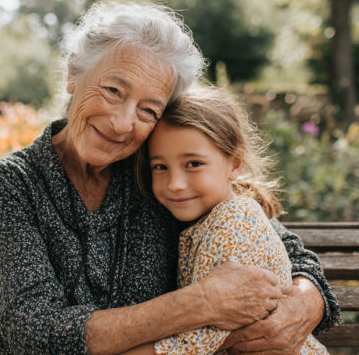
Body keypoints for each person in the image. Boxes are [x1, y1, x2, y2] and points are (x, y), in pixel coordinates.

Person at [0, 2, 340, 355]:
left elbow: (282, 244)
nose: (123, 123)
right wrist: (203, 302)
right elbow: (35, 332)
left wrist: (307, 303)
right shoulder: (12, 182)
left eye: (148, 110)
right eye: (114, 91)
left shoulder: (160, 169)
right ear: (74, 74)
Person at [123, 85, 329, 355]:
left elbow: (206, 335)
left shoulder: (232, 223)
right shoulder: (210, 218)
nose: (174, 184)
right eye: (160, 167)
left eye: (193, 163)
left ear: (234, 164)